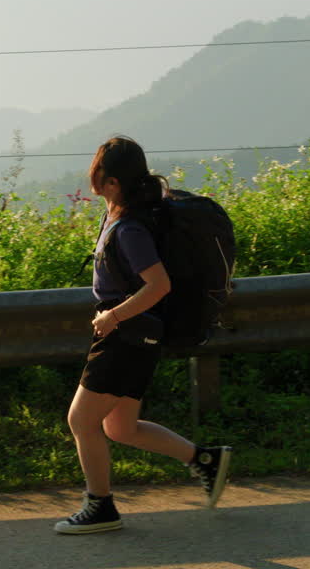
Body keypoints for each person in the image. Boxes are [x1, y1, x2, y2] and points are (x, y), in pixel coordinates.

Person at [54, 136, 232, 535]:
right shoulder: (118, 216)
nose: (90, 175)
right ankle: (206, 460)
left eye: (97, 169)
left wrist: (113, 316)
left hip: (125, 336)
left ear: (112, 181)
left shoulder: (130, 228)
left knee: (81, 420)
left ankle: (100, 507)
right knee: (120, 428)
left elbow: (159, 285)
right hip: (132, 336)